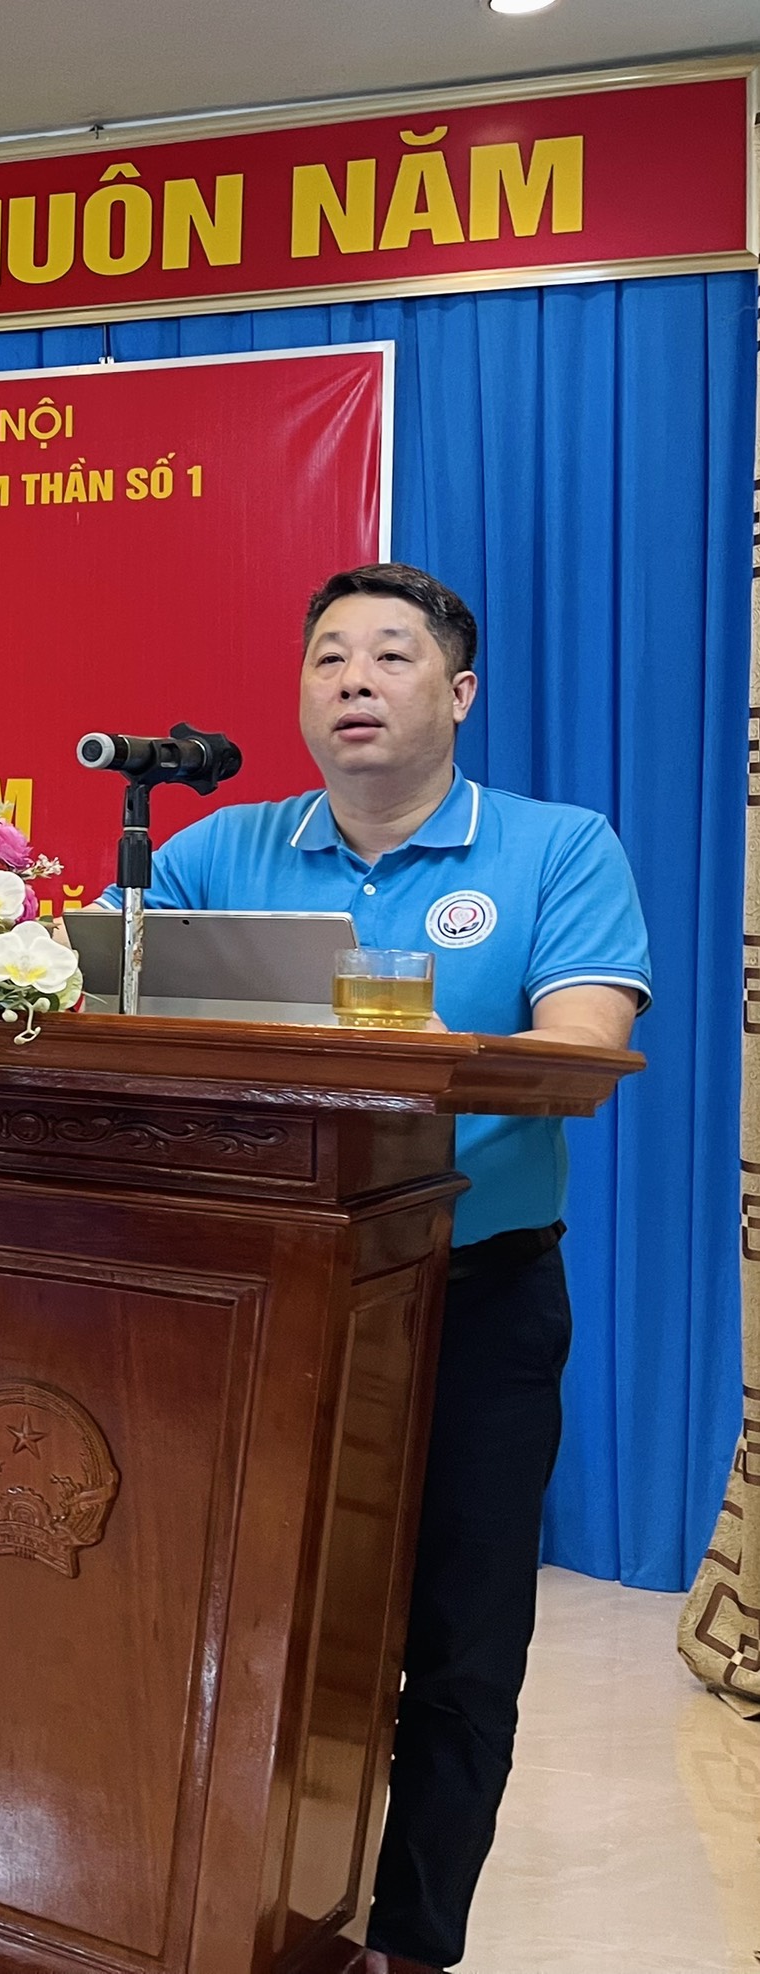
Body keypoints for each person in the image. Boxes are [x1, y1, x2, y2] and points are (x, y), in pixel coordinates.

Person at [102, 563, 648, 1973]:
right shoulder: (210, 853)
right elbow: (101, 1014)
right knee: (240, 1618)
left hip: (470, 1300)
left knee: (458, 1641)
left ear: (457, 693)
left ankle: (409, 1942)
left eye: (390, 655)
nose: (352, 677)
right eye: (327, 655)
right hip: (258, 1297)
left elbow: (582, 1052)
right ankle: (225, 1910)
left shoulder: (555, 848)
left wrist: (389, 1073)